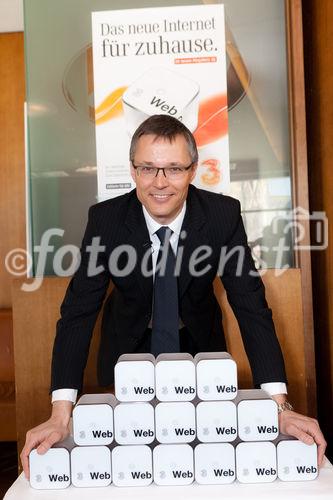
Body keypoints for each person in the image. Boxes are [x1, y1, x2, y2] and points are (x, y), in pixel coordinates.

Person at [21, 114, 326, 478]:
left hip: (198, 345)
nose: (160, 183)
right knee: (131, 464)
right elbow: (78, 313)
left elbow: (250, 306)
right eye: (148, 168)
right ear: (133, 171)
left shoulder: (221, 216)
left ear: (193, 170)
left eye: (174, 169)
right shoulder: (107, 220)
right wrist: (60, 412)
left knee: (196, 462)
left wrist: (279, 407)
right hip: (126, 349)